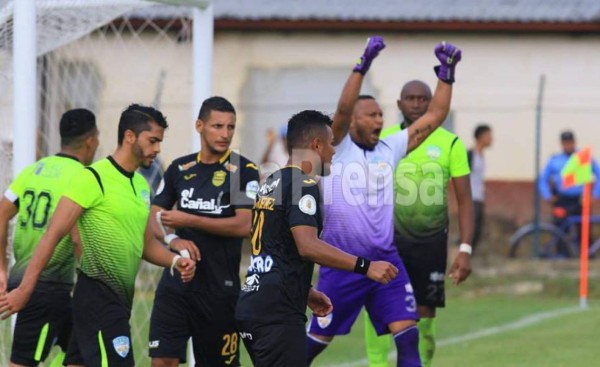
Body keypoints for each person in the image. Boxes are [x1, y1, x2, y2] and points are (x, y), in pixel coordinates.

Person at [0, 104, 196, 367]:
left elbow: (145, 243)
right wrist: (25, 289)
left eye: (159, 142)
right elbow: (53, 234)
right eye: (153, 141)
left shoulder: (140, 185)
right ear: (129, 137)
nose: (157, 149)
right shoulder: (92, 177)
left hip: (118, 301)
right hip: (96, 298)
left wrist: (173, 260)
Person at [306, 37, 462, 367]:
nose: (378, 120)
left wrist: (446, 74)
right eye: (370, 115)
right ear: (352, 123)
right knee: (312, 346)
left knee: (408, 337)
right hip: (342, 263)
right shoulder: (337, 149)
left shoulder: (390, 148)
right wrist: (362, 65)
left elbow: (436, 114)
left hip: (387, 260)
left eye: (380, 114)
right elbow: (344, 109)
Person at [235, 110, 400, 367]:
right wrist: (366, 267)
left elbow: (274, 249)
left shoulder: (272, 181)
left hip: (256, 303)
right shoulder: (302, 183)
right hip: (277, 313)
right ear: (316, 144)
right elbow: (307, 246)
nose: (333, 151)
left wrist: (306, 290)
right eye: (331, 143)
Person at [363, 81, 474, 367]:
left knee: (424, 311)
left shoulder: (451, 143)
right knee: (379, 307)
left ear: (432, 105)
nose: (416, 104)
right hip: (386, 241)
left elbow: (464, 200)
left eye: (423, 99)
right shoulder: (383, 140)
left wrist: (465, 249)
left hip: (430, 242)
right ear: (399, 104)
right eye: (410, 99)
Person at [147, 96, 260, 367]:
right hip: (177, 282)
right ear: (199, 126)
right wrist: (173, 239)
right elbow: (154, 216)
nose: (225, 134)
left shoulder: (244, 170)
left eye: (230, 127)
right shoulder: (180, 168)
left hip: (219, 287)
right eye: (217, 126)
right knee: (163, 360)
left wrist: (189, 218)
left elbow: (245, 225)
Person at [0, 109, 99, 367]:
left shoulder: (35, 170)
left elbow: (1, 214)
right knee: (22, 363)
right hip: (46, 287)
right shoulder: (82, 178)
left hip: (36, 285)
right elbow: (77, 238)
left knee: (83, 355)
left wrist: (1, 268)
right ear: (91, 140)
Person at [539, 130, 600, 254]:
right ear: (561, 144)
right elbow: (542, 179)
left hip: (581, 199)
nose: (568, 145)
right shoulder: (554, 160)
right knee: (560, 228)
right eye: (566, 142)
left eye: (570, 142)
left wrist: (594, 195)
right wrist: (547, 196)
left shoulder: (583, 158)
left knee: (584, 228)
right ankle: (562, 255)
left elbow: (598, 175)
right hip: (562, 200)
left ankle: (586, 254)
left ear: (574, 142)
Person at [468, 124, 492, 251]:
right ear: (481, 137)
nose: (491, 139)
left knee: (477, 231)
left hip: (479, 198)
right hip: (470, 198)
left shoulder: (481, 156)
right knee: (470, 230)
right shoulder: (470, 155)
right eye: (488, 136)